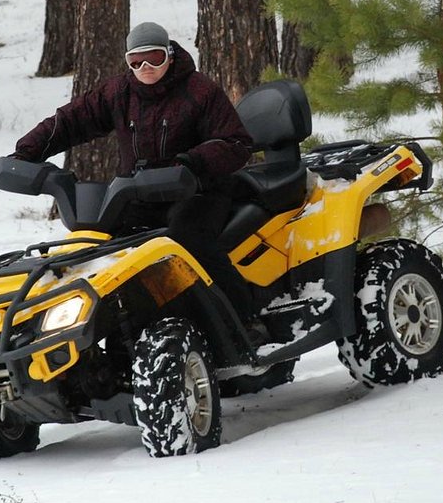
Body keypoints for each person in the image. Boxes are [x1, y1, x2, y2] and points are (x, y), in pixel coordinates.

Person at [14, 22, 265, 337]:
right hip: (139, 195)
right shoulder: (119, 92)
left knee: (188, 238)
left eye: (154, 58)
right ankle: (109, 330)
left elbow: (236, 143)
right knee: (99, 246)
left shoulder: (199, 90)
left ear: (169, 55)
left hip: (199, 191)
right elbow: (71, 121)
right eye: (136, 61)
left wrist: (193, 162)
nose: (145, 68)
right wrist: (27, 151)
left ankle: (243, 323)